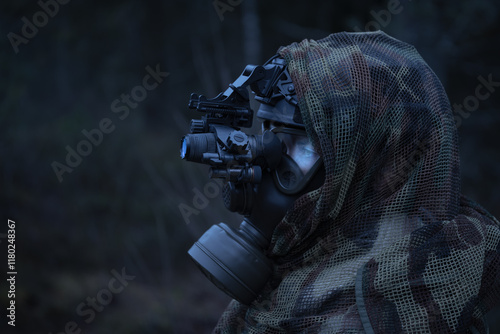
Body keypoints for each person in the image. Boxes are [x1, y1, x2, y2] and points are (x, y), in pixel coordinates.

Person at [190, 31, 500, 333]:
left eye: (300, 144)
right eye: (269, 132)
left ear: (372, 163)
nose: (266, 157)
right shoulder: (302, 270)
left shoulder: (391, 300)